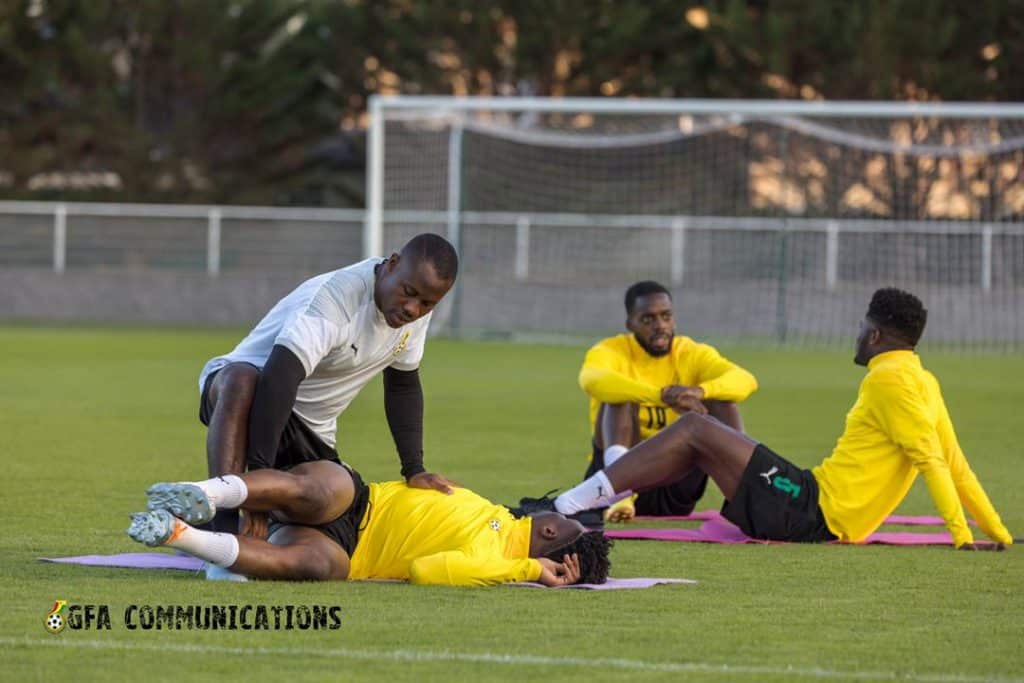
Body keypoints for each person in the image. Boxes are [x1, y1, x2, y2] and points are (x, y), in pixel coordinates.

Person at [519, 288, 1013, 549]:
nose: (857, 337)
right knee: (700, 430)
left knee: (694, 427)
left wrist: (963, 538)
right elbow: (957, 462)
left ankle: (565, 503)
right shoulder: (923, 379)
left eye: (862, 329)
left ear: (877, 337)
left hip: (812, 511)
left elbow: (932, 459)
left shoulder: (885, 380)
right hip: (812, 505)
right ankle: (592, 500)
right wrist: (997, 532)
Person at [197, 233, 459, 580]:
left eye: (427, 304)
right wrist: (257, 484)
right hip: (254, 401)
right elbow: (279, 377)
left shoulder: (414, 313)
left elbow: (403, 384)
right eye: (409, 293)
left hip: (311, 436)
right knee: (240, 378)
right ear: (393, 264)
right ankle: (223, 534)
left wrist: (414, 467)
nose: (414, 309)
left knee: (326, 560)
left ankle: (196, 522)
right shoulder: (337, 298)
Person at [127, 460, 613, 586]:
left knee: (313, 566)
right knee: (319, 488)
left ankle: (180, 535)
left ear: (550, 531)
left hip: (347, 554)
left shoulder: (494, 561)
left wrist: (529, 571)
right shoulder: (500, 514)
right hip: (357, 502)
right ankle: (205, 495)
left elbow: (427, 571)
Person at [578, 281, 757, 524]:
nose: (660, 326)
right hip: (617, 480)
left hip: (675, 483)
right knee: (618, 398)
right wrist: (661, 396)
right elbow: (591, 379)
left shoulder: (692, 353)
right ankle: (620, 495)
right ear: (630, 324)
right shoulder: (612, 351)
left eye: (666, 316)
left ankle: (748, 496)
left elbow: (745, 380)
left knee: (722, 400)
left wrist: (699, 392)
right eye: (648, 319)